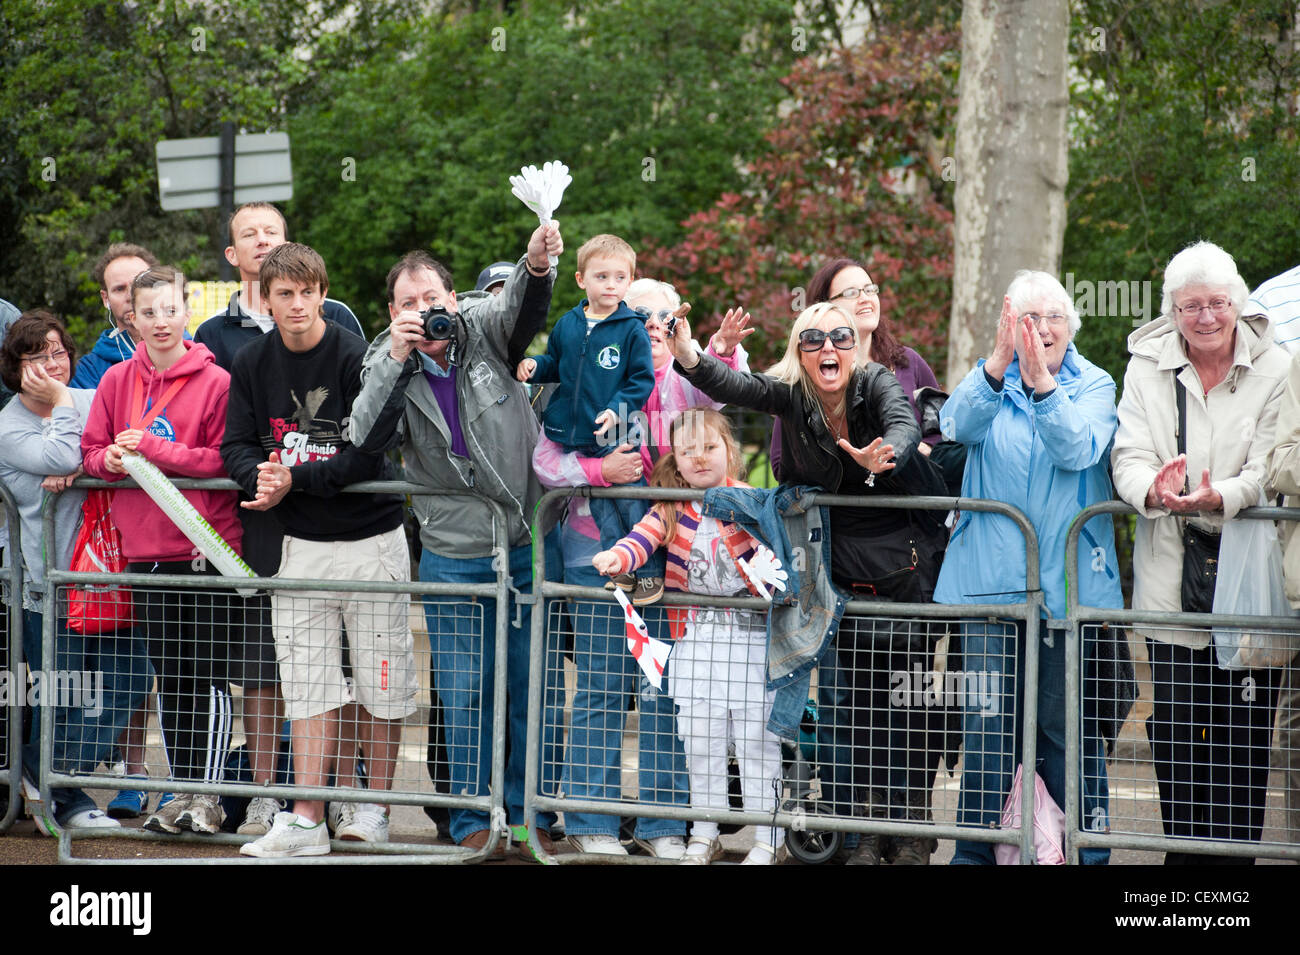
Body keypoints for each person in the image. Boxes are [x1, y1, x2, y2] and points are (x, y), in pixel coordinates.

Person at [666, 299, 949, 865]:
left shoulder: (874, 382)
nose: (829, 348)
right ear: (799, 350)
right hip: (834, 570)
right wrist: (690, 356)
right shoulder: (793, 392)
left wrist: (883, 452)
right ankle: (863, 834)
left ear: (856, 347)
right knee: (850, 706)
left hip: (904, 566)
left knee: (909, 704)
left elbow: (902, 421)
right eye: (814, 339)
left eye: (841, 337)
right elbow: (739, 385)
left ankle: (912, 830)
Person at [349, 222, 565, 860]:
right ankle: (474, 816)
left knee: (532, 685)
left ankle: (528, 813)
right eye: (408, 304)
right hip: (452, 552)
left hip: (526, 542)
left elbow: (518, 304)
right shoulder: (383, 359)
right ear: (392, 313)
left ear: (454, 299)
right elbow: (365, 439)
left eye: (433, 299)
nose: (425, 312)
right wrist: (395, 356)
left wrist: (535, 263)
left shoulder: (482, 330)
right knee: (465, 691)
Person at [531, 278, 749, 859]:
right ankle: (590, 819)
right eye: (639, 314)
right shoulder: (587, 382)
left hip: (673, 570)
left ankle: (661, 825)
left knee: (665, 696)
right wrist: (602, 472)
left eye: (663, 316)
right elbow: (546, 461)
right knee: (603, 688)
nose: (651, 324)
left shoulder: (682, 383)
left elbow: (717, 399)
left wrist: (718, 351)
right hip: (595, 559)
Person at [226, 243, 417, 858]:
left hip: (371, 541)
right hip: (297, 546)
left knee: (380, 683)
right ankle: (307, 818)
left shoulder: (354, 355)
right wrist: (259, 474)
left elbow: (366, 452)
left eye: (309, 292)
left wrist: (293, 478)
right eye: (285, 293)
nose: (298, 304)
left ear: (323, 293)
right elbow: (235, 445)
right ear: (267, 298)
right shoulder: (253, 361)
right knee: (308, 684)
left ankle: (372, 809)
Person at [936, 270, 1123, 865]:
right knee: (988, 734)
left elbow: (1076, 449)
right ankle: (976, 858)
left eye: (1054, 320)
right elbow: (954, 427)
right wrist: (997, 362)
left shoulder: (1095, 383)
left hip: (1068, 590)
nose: (1041, 331)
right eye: (1027, 320)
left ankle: (1084, 856)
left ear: (1072, 327)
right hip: (990, 588)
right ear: (1008, 326)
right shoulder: (988, 380)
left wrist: (1044, 386)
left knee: (1067, 732)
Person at [1112, 241, 1290, 863]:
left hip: (1248, 574)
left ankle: (1233, 869)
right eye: (1192, 305)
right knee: (1180, 734)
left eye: (1218, 303)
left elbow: (1275, 467)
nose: (1207, 316)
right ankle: (1186, 868)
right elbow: (1127, 454)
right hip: (1171, 571)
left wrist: (1224, 495)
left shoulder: (1278, 367)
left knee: (1244, 735)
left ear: (1238, 303)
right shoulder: (1144, 365)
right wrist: (1152, 490)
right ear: (1174, 309)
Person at [81, 265, 243, 836]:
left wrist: (152, 449)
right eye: (147, 312)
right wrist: (112, 462)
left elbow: (224, 459)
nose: (159, 321)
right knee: (171, 679)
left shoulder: (218, 382)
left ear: (186, 309)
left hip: (201, 548)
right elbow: (90, 452)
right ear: (133, 316)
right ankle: (181, 792)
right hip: (143, 551)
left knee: (207, 677)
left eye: (169, 309)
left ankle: (210, 797)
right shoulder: (116, 382)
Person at [592, 408, 786, 864]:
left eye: (709, 448)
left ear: (730, 452)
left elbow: (778, 560)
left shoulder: (754, 500)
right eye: (687, 451)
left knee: (758, 740)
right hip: (695, 639)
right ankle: (703, 832)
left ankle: (768, 837)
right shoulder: (672, 504)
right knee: (701, 740)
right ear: (675, 460)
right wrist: (619, 558)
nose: (699, 459)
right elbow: (643, 537)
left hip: (751, 638)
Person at [0, 311, 150, 833]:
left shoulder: (86, 400)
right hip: (48, 586)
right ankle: (60, 800)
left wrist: (88, 459)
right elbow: (65, 449)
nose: (51, 364)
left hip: (108, 582)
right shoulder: (8, 427)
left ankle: (35, 769)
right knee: (63, 694)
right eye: (36, 356)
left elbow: (126, 443)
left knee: (129, 679)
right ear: (15, 368)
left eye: (59, 352)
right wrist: (78, 437)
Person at [518, 234, 663, 604]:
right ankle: (621, 570)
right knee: (602, 508)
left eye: (619, 277)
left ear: (629, 281)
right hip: (578, 435)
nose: (611, 285)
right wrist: (536, 365)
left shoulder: (631, 329)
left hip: (615, 433)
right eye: (602, 277)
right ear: (581, 279)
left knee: (631, 503)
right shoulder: (568, 324)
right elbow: (556, 364)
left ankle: (648, 574)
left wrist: (617, 408)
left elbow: (640, 380)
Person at [771, 258, 942, 476]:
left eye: (870, 290)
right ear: (825, 306)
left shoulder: (907, 361)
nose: (865, 299)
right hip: (839, 507)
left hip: (909, 502)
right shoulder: (810, 372)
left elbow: (942, 430)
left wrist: (914, 450)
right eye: (851, 293)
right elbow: (779, 463)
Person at [194, 202, 364, 368]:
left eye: (271, 232)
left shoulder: (336, 314)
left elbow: (367, 385)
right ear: (232, 255)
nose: (262, 240)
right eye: (249, 234)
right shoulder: (210, 332)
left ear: (287, 247)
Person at [69, 243, 159, 389]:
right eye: (119, 289)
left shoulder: (191, 350)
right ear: (105, 299)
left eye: (140, 284)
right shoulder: (88, 371)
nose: (131, 296)